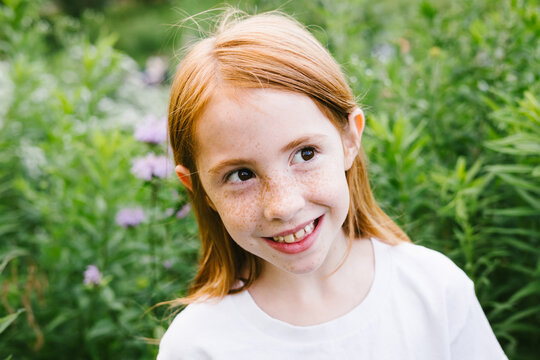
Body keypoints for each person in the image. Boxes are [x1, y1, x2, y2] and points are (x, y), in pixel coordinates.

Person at [158, 10, 507, 360]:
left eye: (305, 153)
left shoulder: (434, 290)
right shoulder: (196, 346)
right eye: (241, 175)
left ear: (350, 138)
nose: (284, 205)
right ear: (199, 188)